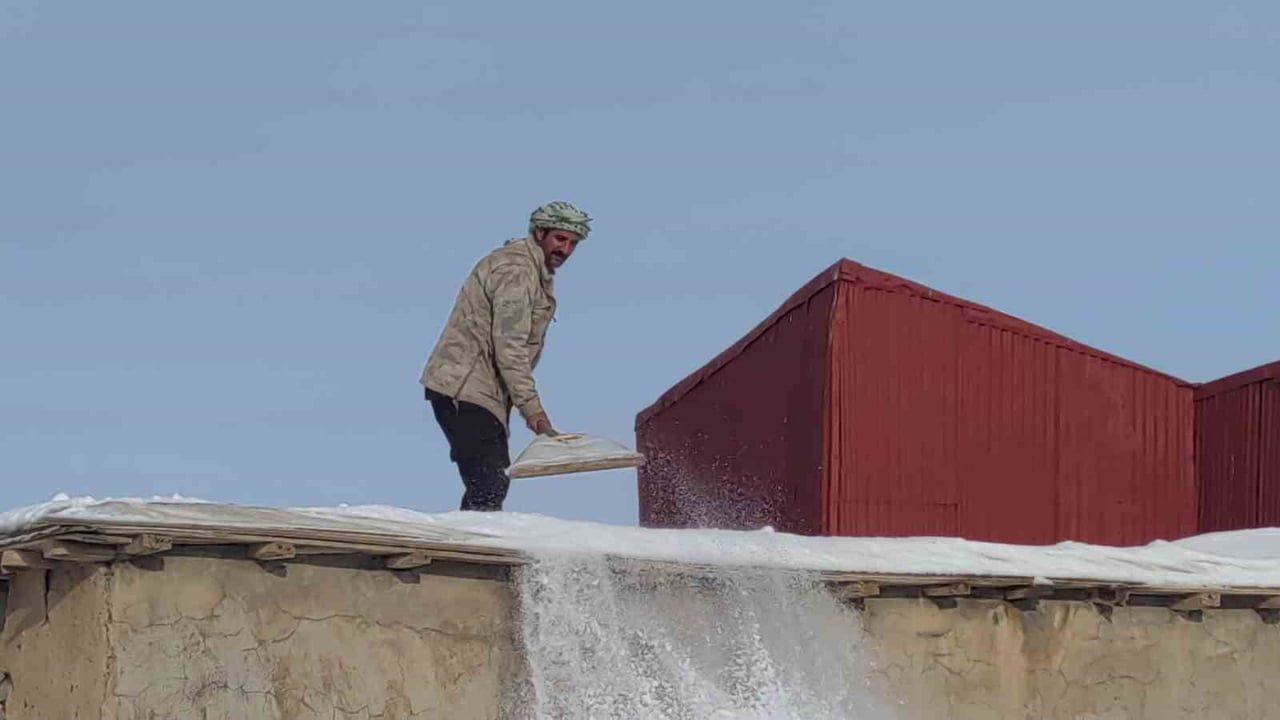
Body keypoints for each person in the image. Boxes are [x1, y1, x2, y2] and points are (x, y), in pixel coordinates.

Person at [419, 201, 591, 511]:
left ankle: (469, 546)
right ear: (539, 232)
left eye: (572, 244)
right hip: (464, 386)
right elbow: (509, 346)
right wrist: (534, 412)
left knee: (491, 482)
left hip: (483, 392)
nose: (565, 250)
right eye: (560, 239)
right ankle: (470, 552)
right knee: (489, 482)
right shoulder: (516, 271)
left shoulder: (533, 273)